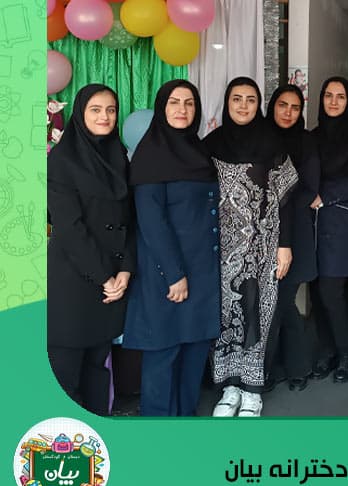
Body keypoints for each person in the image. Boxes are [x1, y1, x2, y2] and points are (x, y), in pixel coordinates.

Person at [123, 79, 220, 417]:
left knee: (194, 350)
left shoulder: (199, 151)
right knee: (163, 352)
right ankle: (158, 429)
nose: (182, 109)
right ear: (161, 108)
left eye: (189, 103)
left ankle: (184, 422)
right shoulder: (150, 157)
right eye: (174, 102)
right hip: (166, 272)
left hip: (202, 269)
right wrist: (174, 274)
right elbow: (151, 223)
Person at [203, 77, 298, 416]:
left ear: (259, 105)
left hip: (262, 247)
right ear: (227, 102)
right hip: (221, 249)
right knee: (225, 314)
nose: (243, 106)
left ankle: (253, 389)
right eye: (237, 99)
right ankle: (229, 387)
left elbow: (286, 200)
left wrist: (284, 246)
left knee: (259, 312)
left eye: (250, 100)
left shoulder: (272, 142)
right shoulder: (210, 145)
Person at [47, 84, 134, 416]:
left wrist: (126, 269)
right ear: (80, 114)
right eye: (95, 109)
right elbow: (70, 229)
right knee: (65, 373)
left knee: (98, 370)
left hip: (111, 284)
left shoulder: (118, 155)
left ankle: (96, 436)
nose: (105, 116)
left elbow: (130, 219)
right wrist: (105, 277)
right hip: (74, 282)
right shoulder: (62, 161)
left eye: (111, 110)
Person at [309, 76, 348, 383]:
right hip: (310, 224)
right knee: (316, 290)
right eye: (329, 96)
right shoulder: (313, 136)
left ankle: (346, 353)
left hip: (339, 222)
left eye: (341, 96)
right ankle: (326, 352)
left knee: (331, 291)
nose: (334, 102)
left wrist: (326, 195)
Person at [263, 84, 320, 392]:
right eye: (282, 105)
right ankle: (295, 367)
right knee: (277, 306)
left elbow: (309, 189)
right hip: (261, 235)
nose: (288, 112)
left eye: (295, 107)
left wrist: (277, 205)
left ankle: (269, 371)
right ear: (272, 106)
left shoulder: (306, 142)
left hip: (294, 235)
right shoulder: (260, 137)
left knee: (279, 302)